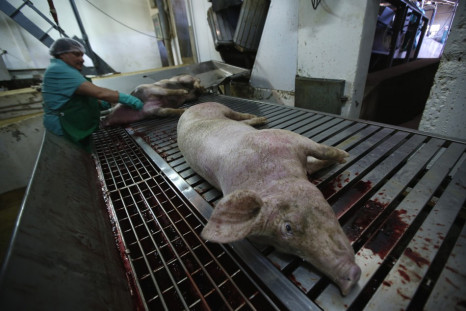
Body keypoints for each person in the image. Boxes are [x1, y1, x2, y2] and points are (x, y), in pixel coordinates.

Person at [41, 38, 143, 151]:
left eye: (82, 55)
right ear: (62, 55)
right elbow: (99, 92)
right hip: (65, 127)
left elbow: (80, 95)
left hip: (73, 124)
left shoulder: (65, 69)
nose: (82, 59)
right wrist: (132, 100)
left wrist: (102, 104)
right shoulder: (59, 70)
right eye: (76, 54)